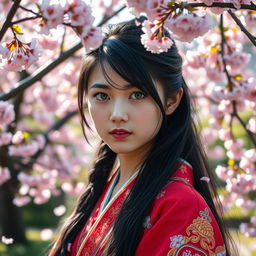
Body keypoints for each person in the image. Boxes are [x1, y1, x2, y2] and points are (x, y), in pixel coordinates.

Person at [49, 17, 236, 256]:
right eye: (102, 96)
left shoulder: (180, 205)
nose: (117, 115)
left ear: (172, 101)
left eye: (137, 94)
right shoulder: (104, 188)